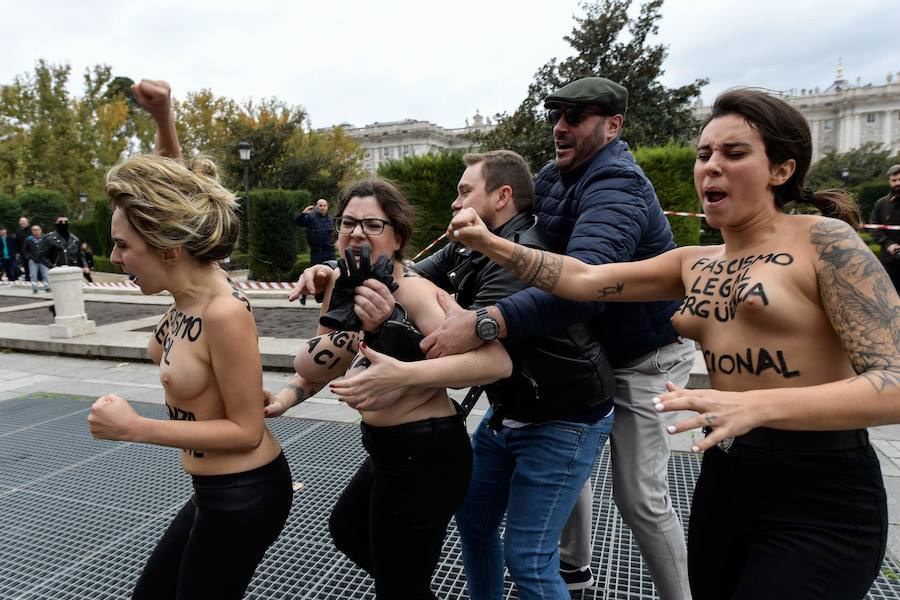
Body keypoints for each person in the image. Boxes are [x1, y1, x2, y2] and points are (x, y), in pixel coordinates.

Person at [448, 88, 899, 600]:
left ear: (782, 169)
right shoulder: (693, 261)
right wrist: (491, 243)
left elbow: (895, 383)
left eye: (734, 153)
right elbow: (583, 280)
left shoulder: (826, 242)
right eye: (704, 154)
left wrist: (756, 404)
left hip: (821, 490)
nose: (710, 167)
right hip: (727, 478)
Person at [419, 77, 695, 597]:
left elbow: (582, 286)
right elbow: (533, 251)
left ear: (614, 126)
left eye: (577, 116)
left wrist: (486, 321)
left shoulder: (618, 185)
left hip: (644, 356)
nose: (560, 126)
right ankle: (572, 571)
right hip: (595, 350)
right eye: (557, 114)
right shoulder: (552, 177)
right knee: (571, 460)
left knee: (638, 496)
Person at [322, 150, 616, 599]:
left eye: (464, 193)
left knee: (529, 558)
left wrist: (399, 368)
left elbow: (477, 349)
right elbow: (408, 274)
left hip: (562, 413)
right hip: (509, 406)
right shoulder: (468, 245)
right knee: (473, 523)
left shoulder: (517, 259)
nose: (455, 204)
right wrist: (335, 271)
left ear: (502, 197)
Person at [86, 79, 293, 600]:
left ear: (168, 251)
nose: (114, 258)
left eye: (122, 247)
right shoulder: (185, 289)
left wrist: (135, 428)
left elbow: (246, 431)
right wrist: (163, 119)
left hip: (245, 494)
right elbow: (175, 202)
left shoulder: (222, 311)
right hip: (213, 491)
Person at [271, 178, 511, 600]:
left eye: (372, 224)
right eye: (347, 223)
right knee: (348, 530)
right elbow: (319, 365)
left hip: (428, 456)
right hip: (386, 448)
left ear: (397, 236)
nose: (357, 232)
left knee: (399, 585)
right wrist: (285, 397)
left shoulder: (415, 292)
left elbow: (495, 363)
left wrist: (395, 345)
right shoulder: (340, 286)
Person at [869, 164, 900, 292]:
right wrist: (889, 245)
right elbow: (873, 228)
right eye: (894, 180)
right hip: (890, 262)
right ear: (889, 181)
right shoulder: (881, 204)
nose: (897, 183)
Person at [295, 198, 336, 265]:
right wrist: (303, 213)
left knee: (332, 272)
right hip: (317, 253)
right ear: (316, 206)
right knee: (317, 273)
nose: (322, 207)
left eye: (324, 206)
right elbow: (299, 223)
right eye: (320, 205)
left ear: (327, 207)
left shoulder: (331, 219)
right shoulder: (310, 217)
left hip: (330, 252)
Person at [23, 225, 49, 293]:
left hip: (43, 260)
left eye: (37, 230)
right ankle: (34, 288)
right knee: (33, 275)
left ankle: (47, 287)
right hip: (33, 260)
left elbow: (49, 248)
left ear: (41, 230)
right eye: (34, 230)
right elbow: (25, 250)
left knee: (45, 274)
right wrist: (29, 257)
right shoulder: (29, 239)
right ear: (32, 231)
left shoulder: (45, 238)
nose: (36, 231)